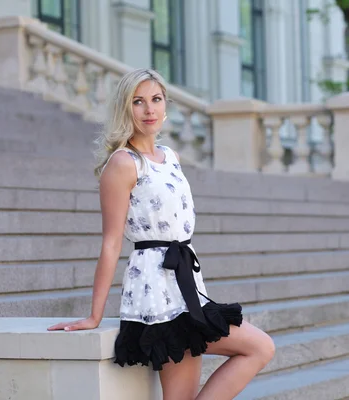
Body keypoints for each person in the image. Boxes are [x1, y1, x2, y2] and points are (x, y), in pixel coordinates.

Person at [48, 68, 275, 399]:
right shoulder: (123, 163)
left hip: (186, 283)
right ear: (126, 108)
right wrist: (95, 314)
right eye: (138, 102)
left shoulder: (170, 157)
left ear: (166, 107)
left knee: (252, 353)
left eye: (155, 100)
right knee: (259, 347)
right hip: (154, 289)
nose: (149, 109)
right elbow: (111, 243)